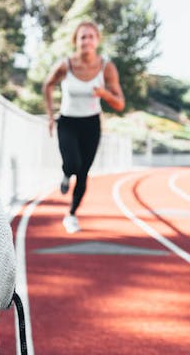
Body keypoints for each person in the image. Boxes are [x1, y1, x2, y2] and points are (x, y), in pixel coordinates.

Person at [43, 20, 125, 233]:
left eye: (91, 37)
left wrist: (104, 94)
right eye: (82, 37)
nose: (86, 41)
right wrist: (51, 115)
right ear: (75, 41)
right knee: (73, 163)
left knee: (83, 172)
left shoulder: (107, 68)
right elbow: (47, 84)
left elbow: (119, 104)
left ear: (97, 41)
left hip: (91, 124)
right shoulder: (66, 65)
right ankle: (66, 172)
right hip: (68, 121)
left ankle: (71, 215)